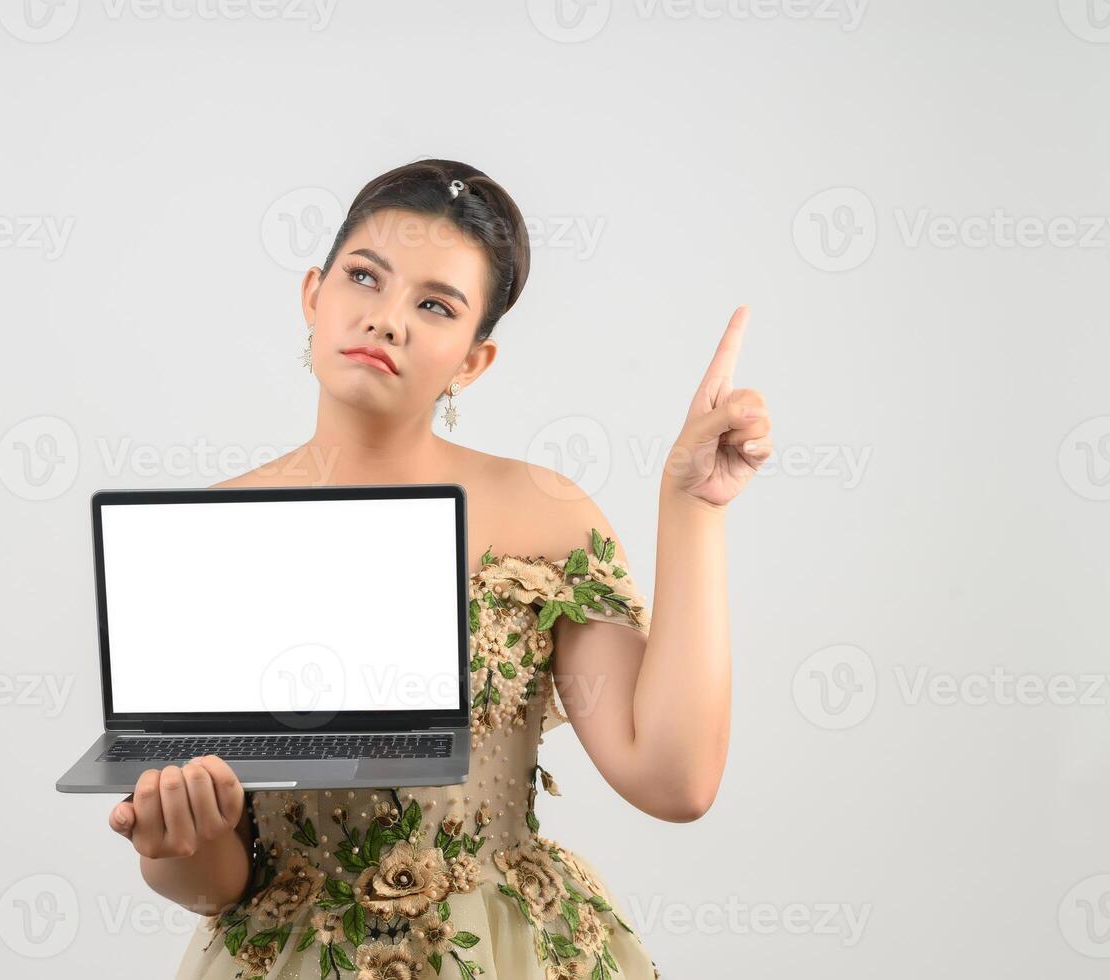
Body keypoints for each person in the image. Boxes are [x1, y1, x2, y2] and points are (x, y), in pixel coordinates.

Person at [107, 159, 772, 979]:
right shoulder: (211, 541)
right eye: (363, 278)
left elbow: (674, 781)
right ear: (313, 295)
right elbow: (215, 881)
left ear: (472, 360)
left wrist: (693, 508)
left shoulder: (543, 512)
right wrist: (178, 840)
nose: (387, 320)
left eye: (434, 305)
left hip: (506, 954)